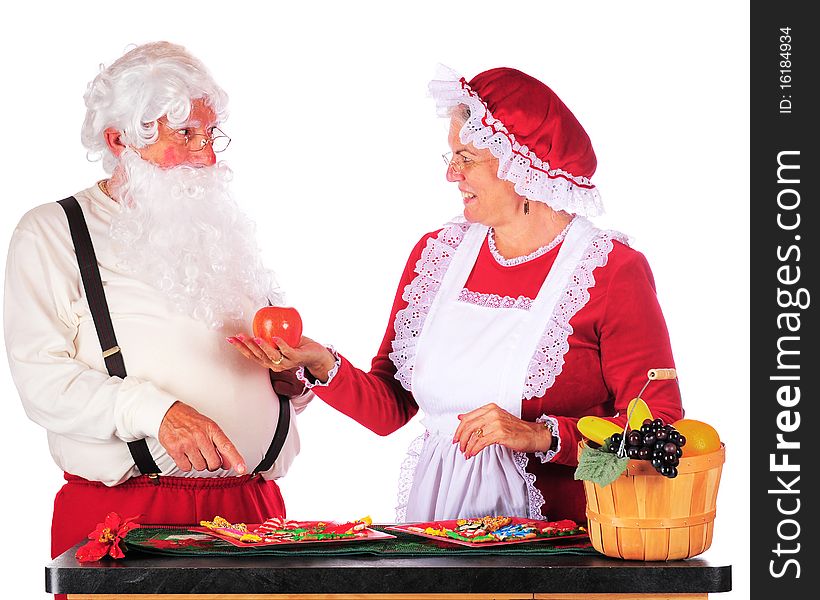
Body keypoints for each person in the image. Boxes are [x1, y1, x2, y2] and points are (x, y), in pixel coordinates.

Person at [229, 66, 682, 525]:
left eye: (465, 157)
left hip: (565, 549)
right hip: (442, 531)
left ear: (520, 165)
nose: (451, 174)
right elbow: (391, 409)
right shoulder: (438, 256)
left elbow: (659, 435)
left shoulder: (610, 271)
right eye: (450, 157)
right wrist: (320, 362)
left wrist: (540, 435)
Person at [3, 41, 312, 566]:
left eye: (210, 134)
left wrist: (288, 385)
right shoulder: (53, 232)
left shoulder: (219, 230)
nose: (208, 154)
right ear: (119, 139)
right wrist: (156, 412)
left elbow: (230, 364)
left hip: (254, 516)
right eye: (185, 134)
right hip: (131, 521)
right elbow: (42, 383)